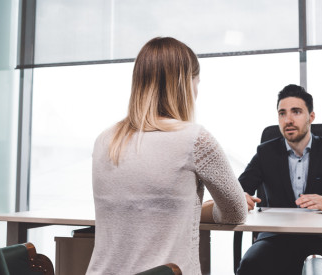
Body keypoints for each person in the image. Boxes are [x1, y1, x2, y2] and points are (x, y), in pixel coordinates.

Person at [86, 37, 248, 275]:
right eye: (197, 82)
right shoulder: (195, 140)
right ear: (184, 84)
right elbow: (236, 212)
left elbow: (145, 206)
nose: (196, 92)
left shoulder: (105, 141)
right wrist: (207, 208)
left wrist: (192, 208)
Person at [237, 84, 322, 275]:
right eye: (282, 113)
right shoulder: (265, 152)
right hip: (276, 235)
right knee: (250, 264)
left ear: (311, 117)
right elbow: (239, 189)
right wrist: (241, 196)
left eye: (296, 112)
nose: (288, 120)